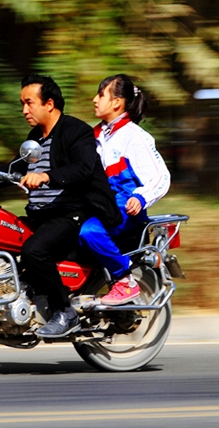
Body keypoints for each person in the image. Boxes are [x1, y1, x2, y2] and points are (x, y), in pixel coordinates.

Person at [0, 74, 121, 338]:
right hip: (42, 215)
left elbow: (84, 169)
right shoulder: (35, 137)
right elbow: (13, 170)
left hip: (74, 213)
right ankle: (2, 312)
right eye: (22, 104)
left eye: (29, 102)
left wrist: (47, 176)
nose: (24, 109)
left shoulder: (76, 131)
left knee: (34, 250)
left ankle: (65, 311)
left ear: (49, 103)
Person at [79, 74, 171, 305]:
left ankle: (124, 280)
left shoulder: (134, 137)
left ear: (117, 103)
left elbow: (161, 177)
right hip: (99, 203)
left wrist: (141, 197)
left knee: (89, 232)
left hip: (124, 208)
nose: (94, 99)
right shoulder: (96, 136)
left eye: (101, 95)